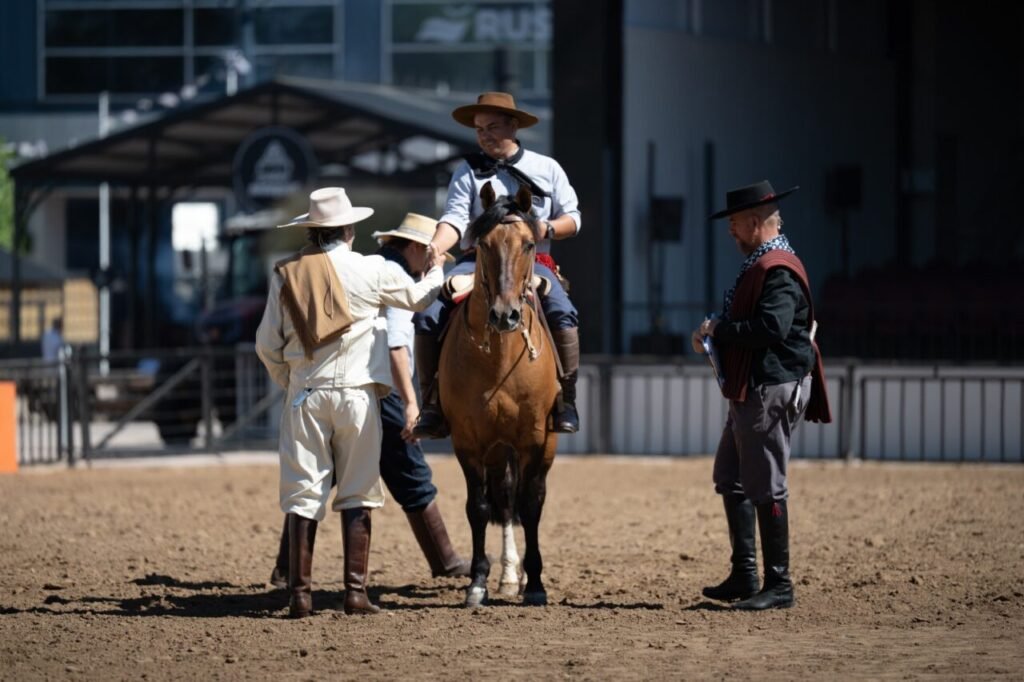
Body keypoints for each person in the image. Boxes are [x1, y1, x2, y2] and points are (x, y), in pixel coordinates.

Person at [256, 188, 446, 618]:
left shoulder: (286, 273)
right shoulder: (371, 267)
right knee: (359, 492)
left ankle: (300, 596)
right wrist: (434, 271)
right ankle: (355, 594)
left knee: (303, 494)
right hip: (360, 396)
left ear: (312, 230)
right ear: (348, 230)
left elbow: (266, 345)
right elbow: (419, 299)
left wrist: (292, 382)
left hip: (306, 393)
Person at [692, 180, 831, 611]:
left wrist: (720, 331)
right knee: (731, 476)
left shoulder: (778, 268)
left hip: (771, 385)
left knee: (766, 484)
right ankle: (747, 573)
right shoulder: (766, 263)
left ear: (755, 223)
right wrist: (719, 331)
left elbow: (771, 328)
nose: (730, 231)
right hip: (756, 387)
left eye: (734, 223)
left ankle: (779, 583)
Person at [412, 91, 582, 438]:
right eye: (479, 130)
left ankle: (566, 398)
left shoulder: (547, 168)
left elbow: (573, 218)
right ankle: (431, 401)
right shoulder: (467, 171)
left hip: (531, 261)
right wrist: (436, 245)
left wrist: (544, 228)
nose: (484, 135)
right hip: (478, 260)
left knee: (562, 311)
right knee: (429, 314)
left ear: (513, 126)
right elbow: (455, 219)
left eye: (491, 127)